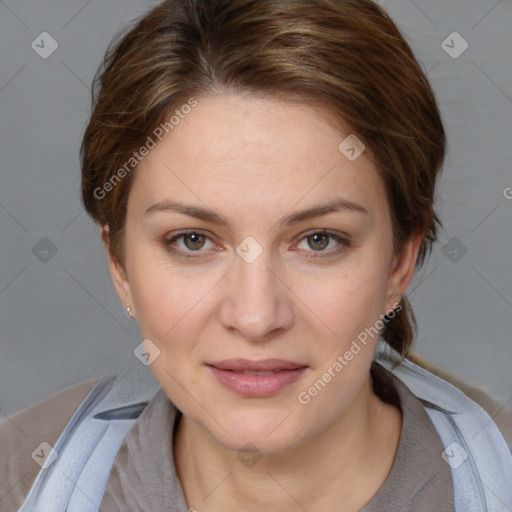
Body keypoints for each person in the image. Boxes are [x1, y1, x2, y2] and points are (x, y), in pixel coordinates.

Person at [1, 0, 511, 511]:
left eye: (319, 240)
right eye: (193, 240)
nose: (255, 316)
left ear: (399, 263)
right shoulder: (16, 476)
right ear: (119, 264)